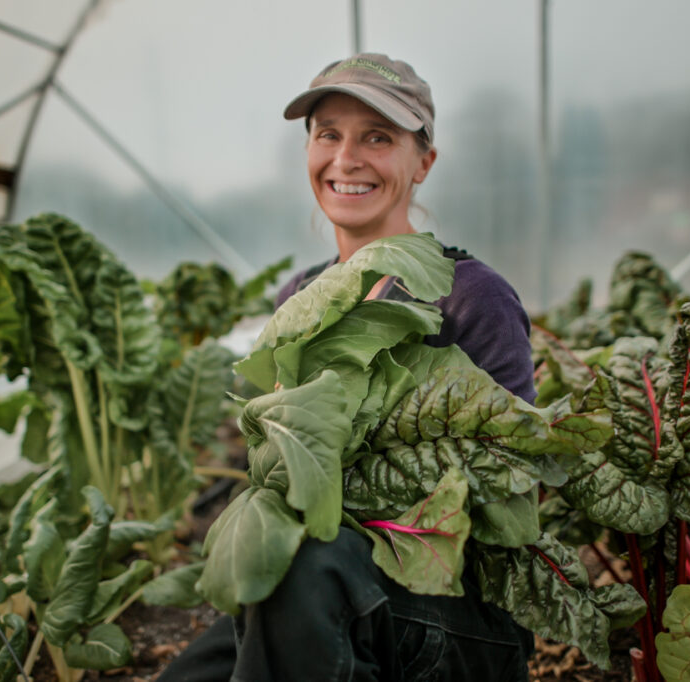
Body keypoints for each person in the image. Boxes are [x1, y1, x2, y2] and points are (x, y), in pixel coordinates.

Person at [159, 53, 536, 682]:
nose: (347, 157)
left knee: (311, 568)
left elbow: (516, 492)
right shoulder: (299, 295)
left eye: (378, 137)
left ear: (424, 163)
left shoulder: (472, 297)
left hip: (454, 613)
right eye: (328, 133)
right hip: (324, 586)